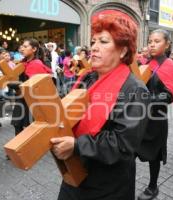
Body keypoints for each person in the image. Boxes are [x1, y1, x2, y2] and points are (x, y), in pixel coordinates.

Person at [52, 13, 150, 200]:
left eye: (103, 42)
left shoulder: (135, 90)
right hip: (74, 174)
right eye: (93, 41)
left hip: (108, 184)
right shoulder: (87, 78)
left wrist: (76, 145)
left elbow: (123, 144)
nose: (94, 48)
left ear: (122, 51)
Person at [137, 29, 173, 200]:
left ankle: (153, 186)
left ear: (167, 44)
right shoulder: (146, 63)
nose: (152, 44)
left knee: (153, 155)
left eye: (157, 41)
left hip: (155, 119)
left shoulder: (170, 65)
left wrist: (143, 99)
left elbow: (168, 96)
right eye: (150, 41)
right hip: (138, 117)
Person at [9, 38, 52, 136]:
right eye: (22, 47)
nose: (22, 49)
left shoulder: (36, 63)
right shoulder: (22, 62)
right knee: (17, 124)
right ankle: (19, 148)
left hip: (31, 100)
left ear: (34, 49)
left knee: (30, 127)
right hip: (21, 98)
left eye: (25, 46)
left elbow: (35, 85)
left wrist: (17, 85)